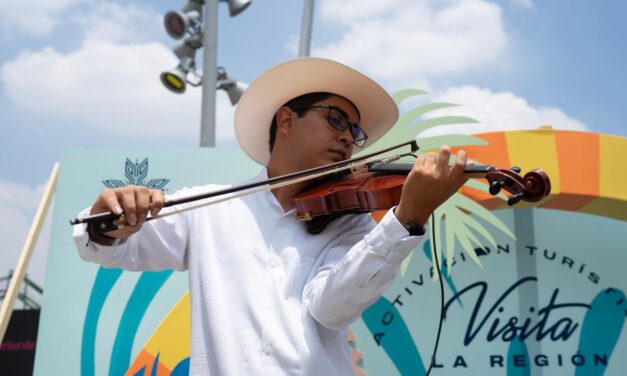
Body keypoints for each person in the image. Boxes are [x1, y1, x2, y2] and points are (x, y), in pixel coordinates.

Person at [73, 57, 469, 375]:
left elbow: (331, 309)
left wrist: (406, 220)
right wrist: (110, 215)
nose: (349, 136)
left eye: (355, 131)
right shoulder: (212, 206)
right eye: (336, 119)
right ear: (285, 120)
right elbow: (104, 247)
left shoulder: (350, 220)